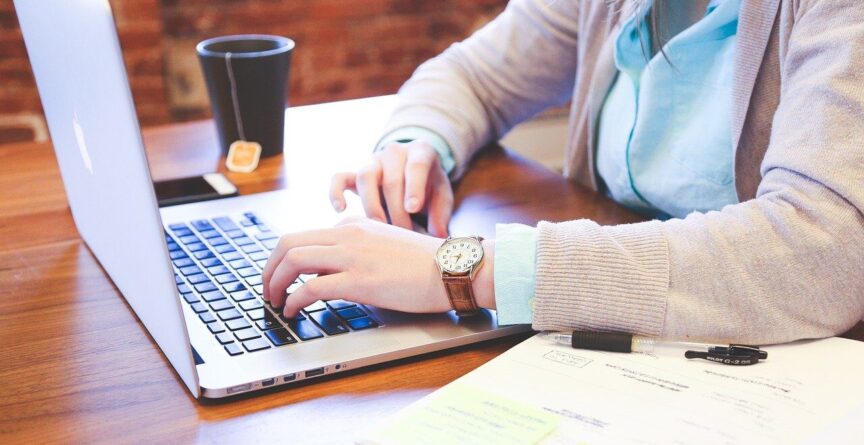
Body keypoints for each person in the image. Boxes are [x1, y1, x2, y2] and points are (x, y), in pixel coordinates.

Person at [262, 0, 864, 344]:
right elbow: (474, 75)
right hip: (620, 341)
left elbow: (823, 250)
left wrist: (465, 270)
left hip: (778, 360)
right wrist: (416, 145)